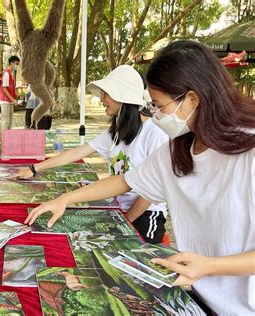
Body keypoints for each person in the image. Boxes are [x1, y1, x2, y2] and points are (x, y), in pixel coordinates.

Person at [26, 40, 255, 315]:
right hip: (197, 294)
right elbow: (126, 181)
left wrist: (210, 266)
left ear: (192, 99)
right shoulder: (178, 147)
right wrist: (66, 199)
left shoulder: (248, 154)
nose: (155, 115)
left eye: (159, 106)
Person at [16, 65, 170, 243]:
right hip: (118, 208)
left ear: (123, 98)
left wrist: (126, 221)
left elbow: (149, 192)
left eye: (106, 94)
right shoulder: (117, 131)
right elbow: (78, 152)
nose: (101, 98)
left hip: (146, 214)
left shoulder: (154, 133)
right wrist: (34, 168)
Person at [0, 55, 20, 130]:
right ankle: (4, 140)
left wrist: (16, 95)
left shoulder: (12, 74)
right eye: (16, 64)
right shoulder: (6, 73)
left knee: (10, 122)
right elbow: (4, 89)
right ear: (11, 63)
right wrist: (13, 100)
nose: (17, 66)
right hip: (5, 101)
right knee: (5, 122)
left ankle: (7, 139)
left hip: (10, 101)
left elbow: (10, 88)